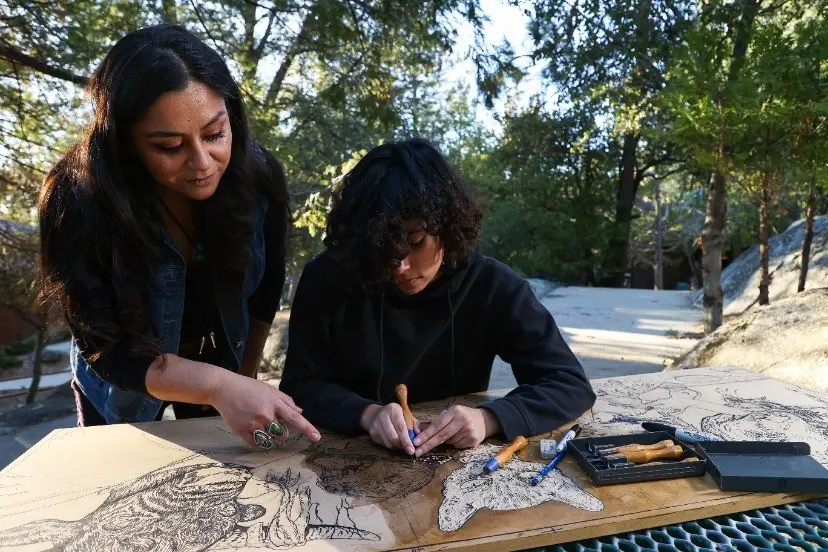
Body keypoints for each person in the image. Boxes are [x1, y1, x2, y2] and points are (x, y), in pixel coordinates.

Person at [38, 24, 320, 448]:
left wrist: (242, 379)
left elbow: (264, 295)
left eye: (214, 134)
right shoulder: (77, 199)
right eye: (170, 146)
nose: (203, 162)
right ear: (123, 144)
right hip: (124, 385)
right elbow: (107, 349)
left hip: (220, 365)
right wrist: (217, 385)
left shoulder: (258, 176)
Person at [280, 139, 595, 457]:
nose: (400, 266)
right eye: (382, 248)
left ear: (448, 225)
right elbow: (300, 385)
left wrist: (490, 418)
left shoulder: (491, 286)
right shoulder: (328, 279)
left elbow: (568, 383)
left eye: (415, 242)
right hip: (345, 462)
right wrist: (365, 413)